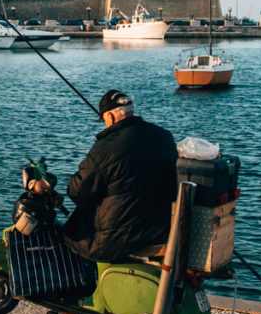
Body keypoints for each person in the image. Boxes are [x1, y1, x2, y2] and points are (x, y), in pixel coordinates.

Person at [62, 89, 178, 262]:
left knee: (69, 234)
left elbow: (78, 193)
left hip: (116, 242)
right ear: (131, 111)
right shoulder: (164, 136)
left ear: (110, 117)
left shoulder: (104, 149)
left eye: (104, 119)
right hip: (158, 231)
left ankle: (84, 284)